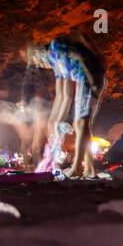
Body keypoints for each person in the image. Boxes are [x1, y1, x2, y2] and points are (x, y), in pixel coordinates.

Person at [28, 35, 106, 179]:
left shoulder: (56, 48)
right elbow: (63, 95)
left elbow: (80, 56)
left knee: (81, 123)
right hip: (84, 79)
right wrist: (54, 121)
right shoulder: (55, 62)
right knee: (81, 126)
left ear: (38, 53)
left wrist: (91, 79)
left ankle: (77, 167)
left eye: (35, 61)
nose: (39, 66)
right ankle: (89, 169)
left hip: (90, 78)